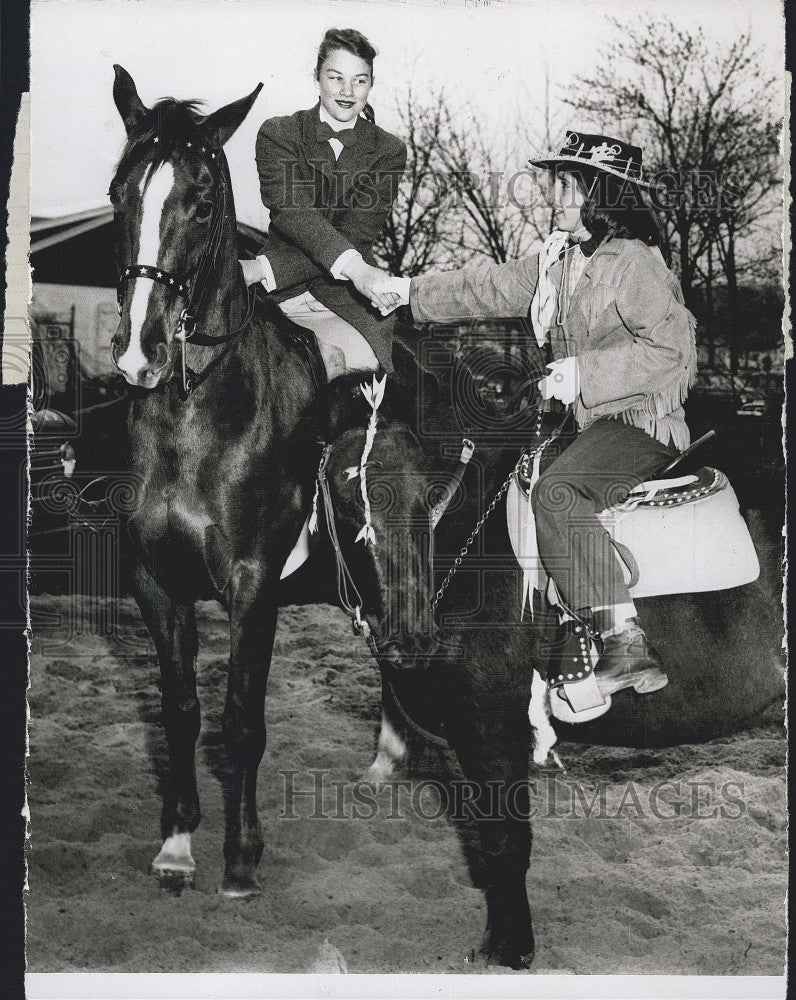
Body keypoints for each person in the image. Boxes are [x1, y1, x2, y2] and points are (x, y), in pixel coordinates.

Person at [375, 131, 698, 715]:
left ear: (599, 193)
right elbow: (487, 285)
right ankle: (555, 640)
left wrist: (581, 374)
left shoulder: (635, 263)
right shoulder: (559, 259)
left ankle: (625, 642)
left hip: (639, 422)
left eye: (566, 186)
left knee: (558, 494)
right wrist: (406, 293)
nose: (554, 198)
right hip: (581, 424)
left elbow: (675, 351)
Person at [240, 27, 407, 380]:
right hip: (275, 300)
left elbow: (354, 236)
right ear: (317, 77)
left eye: (359, 81)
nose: (347, 92)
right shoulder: (279, 133)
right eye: (336, 78)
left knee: (358, 390)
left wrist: (264, 269)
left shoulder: (389, 150)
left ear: (371, 85)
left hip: (346, 301)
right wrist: (357, 269)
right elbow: (294, 215)